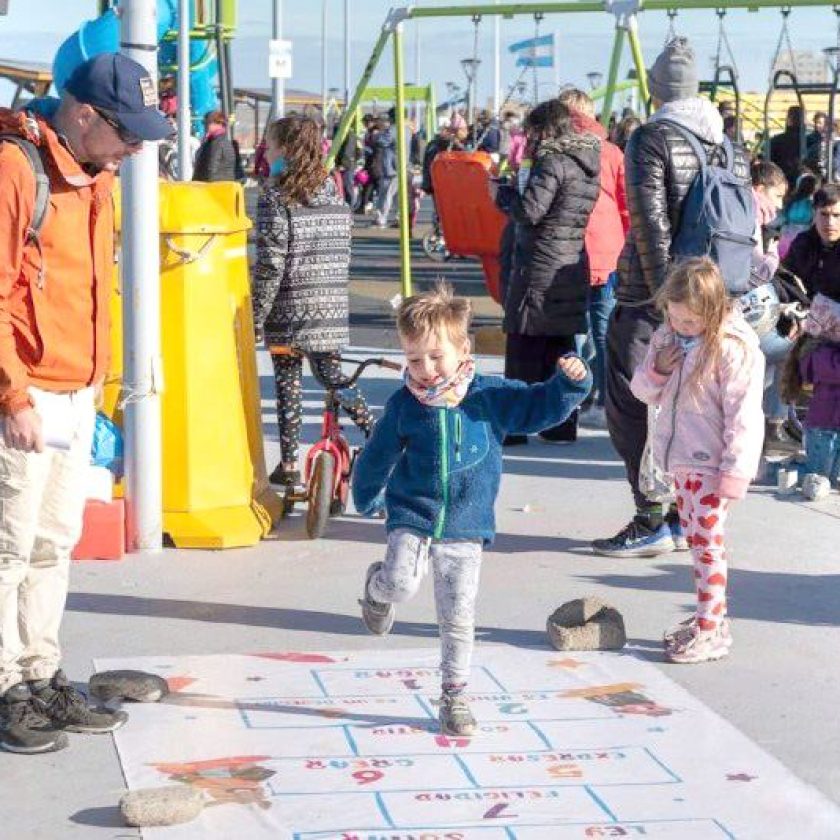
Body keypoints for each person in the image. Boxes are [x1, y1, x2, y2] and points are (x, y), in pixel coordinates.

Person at [0, 53, 172, 754]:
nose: (135, 147)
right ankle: (8, 686)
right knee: (9, 549)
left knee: (52, 545)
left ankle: (40, 674)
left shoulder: (96, 177)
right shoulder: (18, 169)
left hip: (73, 393)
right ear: (82, 115)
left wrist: (97, 388)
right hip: (27, 392)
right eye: (126, 132)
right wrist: (13, 396)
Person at [352, 283, 591, 735]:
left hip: (467, 521)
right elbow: (378, 454)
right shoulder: (406, 405)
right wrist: (366, 494)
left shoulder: (489, 396)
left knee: (458, 615)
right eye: (414, 358)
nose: (424, 369)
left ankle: (454, 696)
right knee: (400, 584)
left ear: (463, 349)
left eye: (435, 356)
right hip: (412, 513)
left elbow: (538, 408)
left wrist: (570, 385)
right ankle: (376, 589)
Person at [594, 37, 750, 557]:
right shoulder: (725, 141)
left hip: (653, 297)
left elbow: (649, 228)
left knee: (632, 400)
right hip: (713, 297)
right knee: (695, 408)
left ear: (656, 89)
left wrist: (667, 305)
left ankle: (650, 517)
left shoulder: (652, 139)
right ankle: (687, 514)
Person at [630, 258, 764, 664]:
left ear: (713, 310)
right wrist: (657, 369)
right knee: (696, 542)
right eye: (676, 317)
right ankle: (712, 618)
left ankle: (711, 628)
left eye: (691, 321)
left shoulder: (731, 348)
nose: (682, 327)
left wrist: (735, 471)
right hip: (681, 460)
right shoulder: (666, 338)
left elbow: (744, 415)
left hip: (712, 464)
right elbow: (642, 392)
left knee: (708, 546)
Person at [251, 116, 374, 488]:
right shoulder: (332, 190)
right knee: (332, 374)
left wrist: (257, 315)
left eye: (269, 144)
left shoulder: (275, 196)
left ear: (285, 149)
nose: (265, 150)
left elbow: (271, 262)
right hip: (331, 304)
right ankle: (376, 432)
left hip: (289, 305)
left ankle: (288, 465)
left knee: (288, 382)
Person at [496, 98, 601, 445]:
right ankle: (560, 424)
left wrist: (502, 195)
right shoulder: (587, 163)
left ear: (544, 130)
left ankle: (514, 425)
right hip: (570, 263)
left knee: (524, 345)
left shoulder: (552, 162)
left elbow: (529, 212)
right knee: (561, 346)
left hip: (539, 263)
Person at [559, 88, 629, 429]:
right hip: (608, 249)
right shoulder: (612, 151)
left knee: (570, 329)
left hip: (568, 248)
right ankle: (604, 398)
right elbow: (626, 202)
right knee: (604, 331)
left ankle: (570, 397)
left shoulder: (557, 148)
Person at [750, 161, 800, 456]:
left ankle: (773, 424)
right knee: (788, 350)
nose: (779, 205)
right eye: (777, 196)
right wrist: (772, 254)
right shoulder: (753, 218)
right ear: (759, 189)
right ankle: (775, 426)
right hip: (747, 313)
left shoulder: (741, 212)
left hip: (747, 310)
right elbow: (759, 271)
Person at [782, 292, 840, 497]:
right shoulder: (818, 353)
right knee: (819, 474)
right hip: (823, 427)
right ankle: (790, 471)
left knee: (834, 478)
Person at [192, 110, 237, 182]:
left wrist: (197, 184)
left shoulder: (217, 143)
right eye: (204, 123)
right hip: (221, 185)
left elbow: (211, 168)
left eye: (208, 123)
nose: (205, 126)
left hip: (214, 187)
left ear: (218, 123)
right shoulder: (216, 141)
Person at [770, 106, 806, 188]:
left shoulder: (776, 140)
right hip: (801, 180)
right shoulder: (808, 140)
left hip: (781, 179)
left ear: (789, 120)